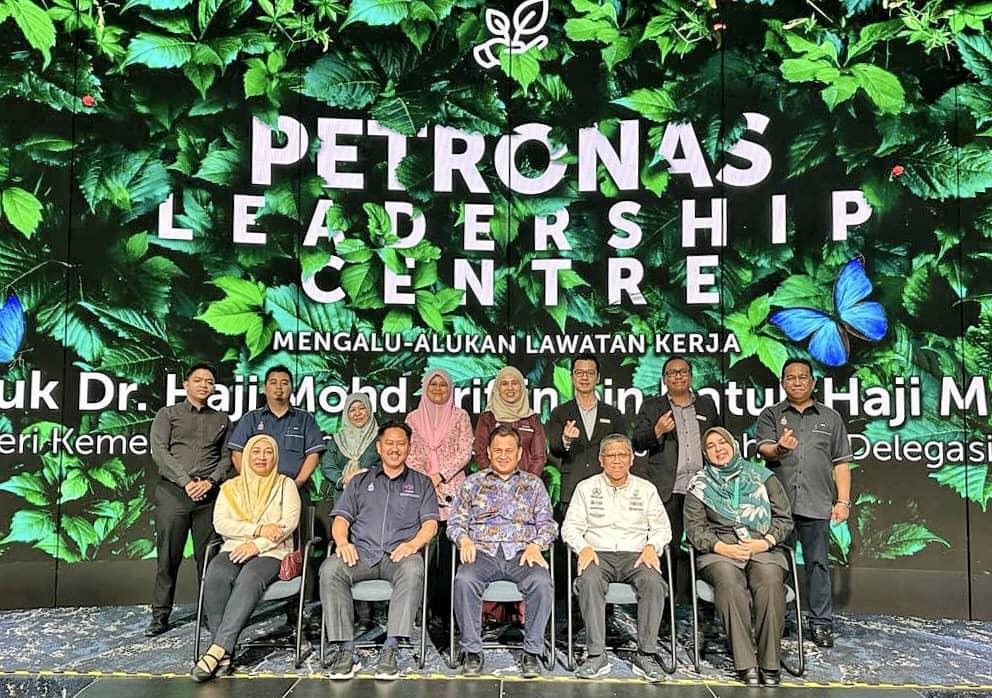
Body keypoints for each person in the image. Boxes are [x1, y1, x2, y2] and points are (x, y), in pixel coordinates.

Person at [319, 421, 439, 681]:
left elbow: (430, 524)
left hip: (399, 556)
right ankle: (346, 650)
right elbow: (341, 519)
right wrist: (342, 542)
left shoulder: (422, 483)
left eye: (401, 444)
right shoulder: (360, 481)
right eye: (389, 443)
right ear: (379, 447)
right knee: (330, 569)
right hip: (361, 554)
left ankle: (391, 648)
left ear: (409, 447)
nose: (395, 449)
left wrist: (413, 545)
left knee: (414, 567)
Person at [684, 427, 794, 687]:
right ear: (705, 454)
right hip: (719, 550)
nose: (718, 449)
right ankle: (745, 663)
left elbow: (784, 519)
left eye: (722, 443)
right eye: (711, 446)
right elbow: (695, 528)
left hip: (762, 545)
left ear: (733, 445)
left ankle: (770, 663)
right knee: (730, 584)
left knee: (770, 582)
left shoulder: (763, 477)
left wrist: (764, 543)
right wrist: (723, 548)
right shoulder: (698, 484)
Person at [756, 358, 853, 649]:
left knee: (818, 565)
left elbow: (841, 463)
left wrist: (843, 501)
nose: (796, 382)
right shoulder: (771, 415)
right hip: (778, 507)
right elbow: (764, 450)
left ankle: (821, 623)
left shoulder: (831, 418)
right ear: (782, 382)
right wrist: (780, 448)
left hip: (817, 503)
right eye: (790, 377)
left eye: (802, 377)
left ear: (812, 382)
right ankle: (778, 619)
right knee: (775, 566)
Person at [448, 426, 558, 678]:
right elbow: (455, 522)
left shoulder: (533, 484)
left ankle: (531, 652)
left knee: (542, 582)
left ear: (519, 453)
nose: (503, 455)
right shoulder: (473, 483)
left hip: (522, 552)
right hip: (482, 552)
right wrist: (464, 539)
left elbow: (548, 525)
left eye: (509, 450)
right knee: (464, 580)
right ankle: (472, 651)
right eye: (498, 450)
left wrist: (537, 544)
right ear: (488, 452)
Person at [561, 434, 671, 682]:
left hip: (636, 554)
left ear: (632, 459)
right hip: (598, 552)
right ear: (601, 460)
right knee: (589, 581)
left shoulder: (646, 489)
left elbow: (663, 528)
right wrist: (583, 547)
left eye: (622, 455)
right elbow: (570, 527)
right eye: (611, 455)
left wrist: (652, 546)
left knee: (654, 583)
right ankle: (596, 655)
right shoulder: (586, 488)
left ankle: (645, 655)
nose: (617, 460)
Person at [192, 434, 301, 682]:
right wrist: (257, 530)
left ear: (275, 456)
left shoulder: (285, 485)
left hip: (273, 551)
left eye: (268, 452)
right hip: (235, 548)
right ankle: (224, 652)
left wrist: (257, 545)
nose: (262, 457)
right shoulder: (230, 487)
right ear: (247, 456)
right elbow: (221, 523)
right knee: (216, 575)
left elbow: (288, 524)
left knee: (250, 578)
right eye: (256, 452)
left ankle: (218, 649)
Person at [147, 363, 232, 637]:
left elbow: (227, 457)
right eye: (198, 380)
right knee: (167, 558)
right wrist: (186, 482)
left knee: (207, 559)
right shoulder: (168, 414)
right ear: (186, 384)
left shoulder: (222, 419)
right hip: (174, 493)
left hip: (208, 496)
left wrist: (210, 481)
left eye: (209, 381)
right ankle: (160, 616)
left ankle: (209, 613)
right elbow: (160, 452)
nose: (204, 385)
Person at [632, 355, 719, 598]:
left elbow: (719, 438)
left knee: (703, 547)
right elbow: (637, 442)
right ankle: (665, 607)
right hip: (667, 489)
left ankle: (702, 609)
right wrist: (657, 430)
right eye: (671, 372)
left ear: (691, 376)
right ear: (664, 379)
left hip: (702, 490)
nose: (677, 376)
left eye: (682, 371)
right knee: (666, 548)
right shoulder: (652, 406)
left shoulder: (707, 406)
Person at [405, 368, 473, 621]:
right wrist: (427, 479)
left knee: (448, 555)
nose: (437, 389)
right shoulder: (413, 419)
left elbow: (465, 451)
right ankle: (421, 610)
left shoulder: (460, 416)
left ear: (450, 389)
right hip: (422, 489)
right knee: (423, 553)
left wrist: (440, 474)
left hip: (453, 489)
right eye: (433, 384)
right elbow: (409, 453)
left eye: (443, 385)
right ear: (425, 387)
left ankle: (446, 613)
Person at [228, 365, 325, 502]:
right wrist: (250, 481)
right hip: (256, 492)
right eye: (273, 382)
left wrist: (297, 483)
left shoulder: (305, 419)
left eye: (284, 383)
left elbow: (313, 454)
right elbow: (236, 452)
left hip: (295, 490)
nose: (279, 387)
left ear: (292, 388)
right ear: (265, 388)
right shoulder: (251, 419)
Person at [547, 353, 626, 512]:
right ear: (572, 377)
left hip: (606, 489)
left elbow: (623, 450)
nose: (584, 377)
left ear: (598, 378)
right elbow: (555, 449)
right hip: (572, 488)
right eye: (579, 372)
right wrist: (566, 439)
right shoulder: (560, 412)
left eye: (590, 373)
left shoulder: (613, 414)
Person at [473, 366, 546, 475]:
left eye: (514, 383)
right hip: (493, 482)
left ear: (521, 387)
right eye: (504, 384)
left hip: (526, 482)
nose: (510, 388)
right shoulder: (488, 417)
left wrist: (528, 481)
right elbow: (480, 453)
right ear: (497, 388)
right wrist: (495, 479)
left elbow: (539, 457)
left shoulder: (532, 418)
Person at [320, 393, 380, 504]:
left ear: (369, 410)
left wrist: (365, 474)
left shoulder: (381, 437)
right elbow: (327, 465)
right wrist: (343, 480)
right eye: (352, 410)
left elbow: (386, 463)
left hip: (374, 495)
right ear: (346, 414)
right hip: (341, 497)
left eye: (362, 408)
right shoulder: (337, 439)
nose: (357, 413)